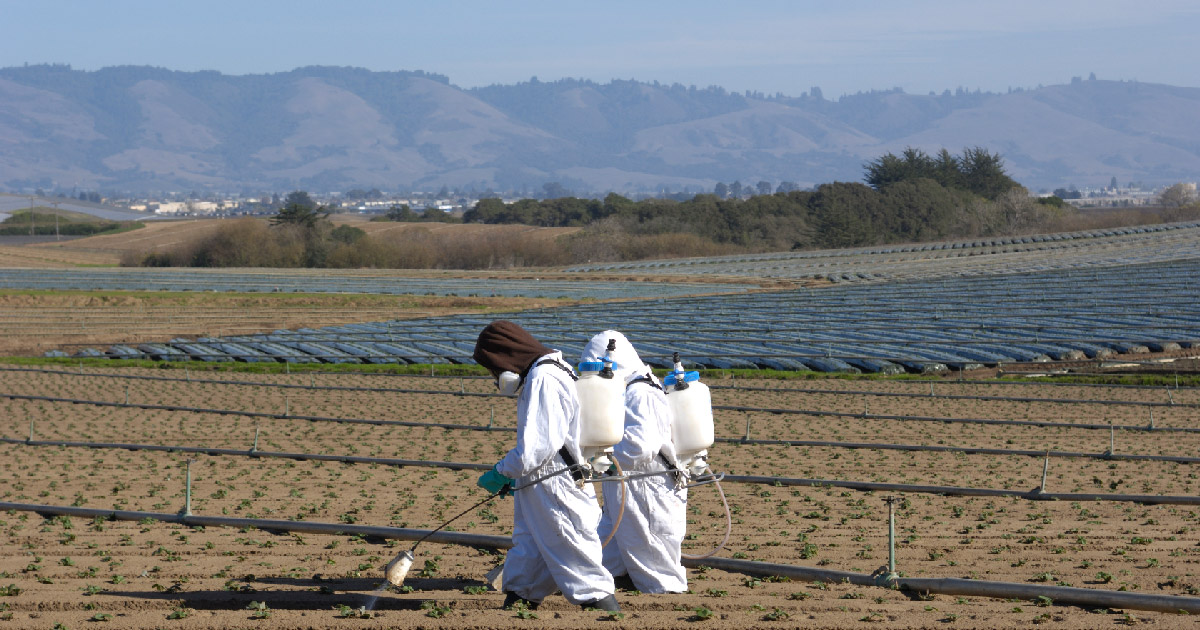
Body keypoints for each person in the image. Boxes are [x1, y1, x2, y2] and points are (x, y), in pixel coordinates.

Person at [472, 320, 619, 612]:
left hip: (555, 481)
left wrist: (502, 471)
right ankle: (518, 603)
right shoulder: (552, 370)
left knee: (574, 551)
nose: (494, 376)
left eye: (492, 367)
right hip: (544, 479)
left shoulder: (543, 378)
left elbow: (537, 447)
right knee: (532, 549)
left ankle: (607, 614)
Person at [586, 331, 688, 594]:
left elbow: (639, 447)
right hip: (625, 484)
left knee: (653, 557)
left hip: (647, 487)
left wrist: (600, 456)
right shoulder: (625, 389)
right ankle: (610, 581)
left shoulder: (640, 391)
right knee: (608, 551)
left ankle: (666, 606)